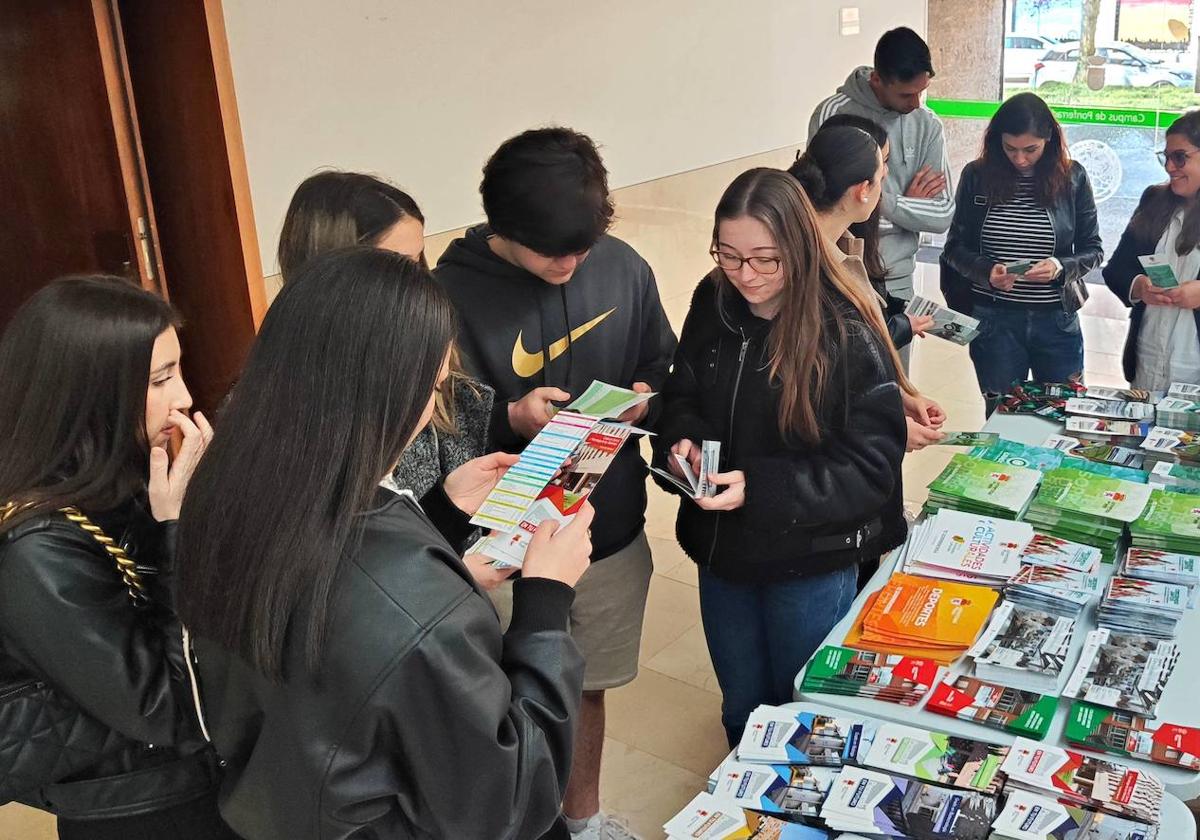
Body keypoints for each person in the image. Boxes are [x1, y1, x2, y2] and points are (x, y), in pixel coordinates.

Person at [175, 247, 594, 840]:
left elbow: (341, 625)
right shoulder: (408, 598)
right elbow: (509, 799)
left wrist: (442, 518)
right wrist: (547, 602)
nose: (444, 385)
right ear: (391, 388)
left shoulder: (228, 492)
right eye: (437, 373)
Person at [435, 127, 675, 840]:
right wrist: (510, 415)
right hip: (494, 549)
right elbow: (422, 436)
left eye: (583, 248)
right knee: (496, 704)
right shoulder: (446, 296)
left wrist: (645, 397)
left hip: (605, 533)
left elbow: (664, 363)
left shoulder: (622, 267)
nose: (571, 264)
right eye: (553, 253)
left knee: (584, 685)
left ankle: (585, 818)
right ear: (503, 229)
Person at [653, 168, 909, 746]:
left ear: (799, 244)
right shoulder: (712, 299)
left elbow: (871, 467)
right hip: (723, 551)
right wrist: (682, 440)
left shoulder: (843, 327)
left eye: (766, 259)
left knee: (805, 714)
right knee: (744, 705)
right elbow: (683, 391)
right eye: (729, 255)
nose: (746, 276)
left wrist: (763, 488)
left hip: (810, 559)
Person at [0, 276, 232, 839]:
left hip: (202, 780)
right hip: (141, 809)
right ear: (89, 393)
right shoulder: (37, 549)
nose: (184, 397)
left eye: (177, 370)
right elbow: (170, 710)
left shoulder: (125, 481)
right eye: (161, 379)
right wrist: (176, 527)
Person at [276, 170, 494, 506]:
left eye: (419, 261)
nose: (421, 280)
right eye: (400, 266)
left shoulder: (419, 336)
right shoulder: (292, 410)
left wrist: (508, 418)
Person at [789, 118, 946, 456]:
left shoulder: (845, 248)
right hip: (820, 465)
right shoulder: (806, 266)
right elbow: (814, 384)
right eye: (883, 179)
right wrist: (886, 424)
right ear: (863, 190)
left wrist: (898, 397)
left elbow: (852, 365)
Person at [809, 26, 955, 370]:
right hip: (838, 274)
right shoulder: (833, 114)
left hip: (899, 276)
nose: (916, 103)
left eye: (922, 91)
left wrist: (884, 200)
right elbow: (825, 207)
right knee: (842, 380)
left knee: (895, 385)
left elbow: (942, 214)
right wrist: (906, 203)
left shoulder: (927, 124)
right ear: (877, 80)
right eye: (907, 95)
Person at [942, 92, 1102, 395]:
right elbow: (953, 247)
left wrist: (1059, 266)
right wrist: (987, 271)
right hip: (994, 320)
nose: (1019, 159)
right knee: (1002, 414)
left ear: (1049, 140)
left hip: (1056, 319)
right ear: (996, 141)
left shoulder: (1073, 177)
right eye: (1010, 148)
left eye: (1031, 149)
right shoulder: (977, 175)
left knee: (1061, 414)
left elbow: (1093, 250)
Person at [1103, 110, 1200, 389]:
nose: (1170, 167)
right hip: (1148, 360)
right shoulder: (1154, 199)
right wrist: (1140, 286)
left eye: (1180, 157)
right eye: (1166, 157)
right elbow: (1117, 268)